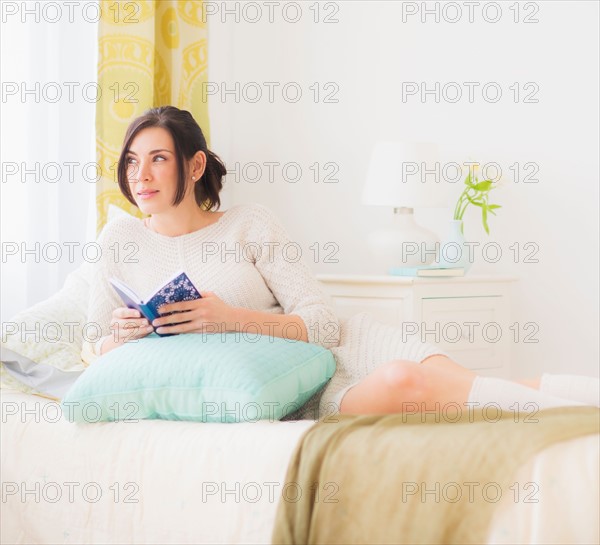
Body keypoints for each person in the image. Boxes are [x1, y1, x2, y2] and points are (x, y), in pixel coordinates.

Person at [83, 106, 599, 419]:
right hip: (291, 385)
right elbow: (89, 349)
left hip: (348, 343)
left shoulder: (250, 224)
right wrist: (122, 336)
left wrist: (232, 319)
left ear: (195, 166)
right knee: (410, 385)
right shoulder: (119, 238)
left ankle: (579, 411)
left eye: (157, 158)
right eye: (132, 160)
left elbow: (324, 323)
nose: (141, 175)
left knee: (477, 384)